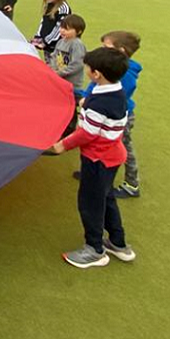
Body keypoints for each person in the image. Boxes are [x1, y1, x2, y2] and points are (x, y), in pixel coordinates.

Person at [48, 47, 135, 269]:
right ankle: (118, 242)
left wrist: (62, 145)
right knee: (106, 199)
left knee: (90, 204)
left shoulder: (101, 102)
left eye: (88, 68)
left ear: (96, 74)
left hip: (98, 160)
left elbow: (87, 133)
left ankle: (95, 249)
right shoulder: (114, 93)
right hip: (111, 157)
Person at [78, 31, 143, 199]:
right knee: (96, 140)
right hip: (101, 111)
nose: (102, 50)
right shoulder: (107, 67)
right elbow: (95, 86)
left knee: (122, 146)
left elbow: (116, 97)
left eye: (106, 47)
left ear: (120, 51)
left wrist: (90, 101)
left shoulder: (126, 75)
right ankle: (92, 172)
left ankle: (132, 184)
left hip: (117, 118)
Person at [52, 15, 87, 137]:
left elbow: (77, 64)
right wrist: (52, 70)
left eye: (66, 29)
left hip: (72, 84)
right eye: (62, 28)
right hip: (60, 82)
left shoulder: (76, 44)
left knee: (70, 107)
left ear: (78, 31)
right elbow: (54, 56)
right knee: (60, 105)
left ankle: (69, 131)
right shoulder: (61, 42)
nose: (62, 31)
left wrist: (59, 73)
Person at [32, 0, 72, 64]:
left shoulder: (63, 9)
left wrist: (46, 41)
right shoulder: (49, 5)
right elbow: (43, 22)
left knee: (61, 70)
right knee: (49, 67)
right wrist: (38, 36)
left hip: (60, 46)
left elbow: (59, 28)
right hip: (47, 46)